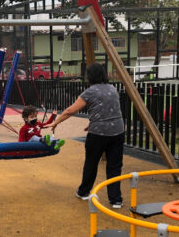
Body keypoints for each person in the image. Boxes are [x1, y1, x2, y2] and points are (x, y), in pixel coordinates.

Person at [47, 63, 125, 209]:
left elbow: (70, 110)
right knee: (114, 166)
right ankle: (116, 200)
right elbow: (110, 109)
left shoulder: (90, 92)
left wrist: (55, 122)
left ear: (90, 76)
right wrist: (93, 122)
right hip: (118, 131)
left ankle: (83, 192)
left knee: (91, 162)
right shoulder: (113, 88)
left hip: (99, 134)